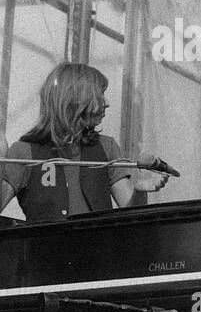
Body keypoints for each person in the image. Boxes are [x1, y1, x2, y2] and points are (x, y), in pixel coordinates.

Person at [0, 63, 167, 221]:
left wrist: (139, 190)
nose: (107, 103)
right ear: (74, 99)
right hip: (43, 250)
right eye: (99, 96)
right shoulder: (23, 152)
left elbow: (132, 213)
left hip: (99, 250)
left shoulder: (107, 147)